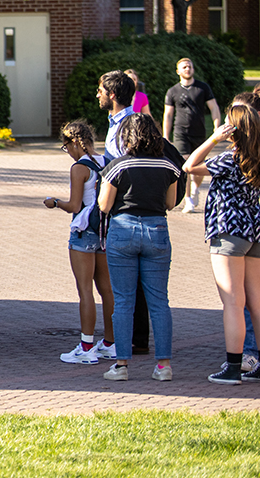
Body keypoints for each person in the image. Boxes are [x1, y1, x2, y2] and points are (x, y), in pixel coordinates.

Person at [183, 103, 260, 384]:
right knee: (258, 302)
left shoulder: (228, 159)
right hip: (255, 231)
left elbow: (189, 166)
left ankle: (233, 366)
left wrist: (213, 138)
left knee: (232, 302)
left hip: (229, 232)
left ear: (232, 130)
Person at [97, 113, 181, 381]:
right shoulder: (168, 166)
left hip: (123, 230)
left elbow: (104, 205)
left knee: (123, 301)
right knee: (159, 301)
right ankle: (163, 365)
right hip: (157, 229)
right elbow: (170, 203)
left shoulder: (118, 167)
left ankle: (121, 364)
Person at [42, 120, 116, 364]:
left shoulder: (79, 168)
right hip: (105, 231)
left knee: (85, 290)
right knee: (107, 290)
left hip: (83, 232)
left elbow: (74, 206)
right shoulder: (107, 161)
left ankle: (86, 348)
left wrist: (55, 202)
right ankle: (110, 343)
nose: (68, 153)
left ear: (74, 142)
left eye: (66, 147)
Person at [98, 69, 152, 355]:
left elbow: (124, 167)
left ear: (113, 95)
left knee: (130, 279)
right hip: (124, 210)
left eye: (101, 90)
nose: (98, 95)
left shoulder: (128, 125)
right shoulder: (116, 122)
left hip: (126, 211)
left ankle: (129, 340)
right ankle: (136, 337)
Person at [234, 86, 260, 372]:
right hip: (255, 231)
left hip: (256, 232)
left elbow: (192, 165)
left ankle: (250, 353)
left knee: (253, 297)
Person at [163, 57, 221, 212]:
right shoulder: (172, 91)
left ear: (193, 69)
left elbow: (213, 107)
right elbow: (168, 114)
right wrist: (166, 136)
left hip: (199, 132)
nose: (187, 69)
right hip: (181, 133)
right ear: (178, 71)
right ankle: (188, 200)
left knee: (198, 166)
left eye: (189, 66)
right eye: (184, 67)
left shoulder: (202, 88)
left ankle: (195, 188)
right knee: (186, 165)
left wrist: (216, 126)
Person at [97, 70, 136, 160]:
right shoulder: (114, 121)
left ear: (111, 94)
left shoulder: (130, 126)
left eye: (100, 91)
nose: (98, 95)